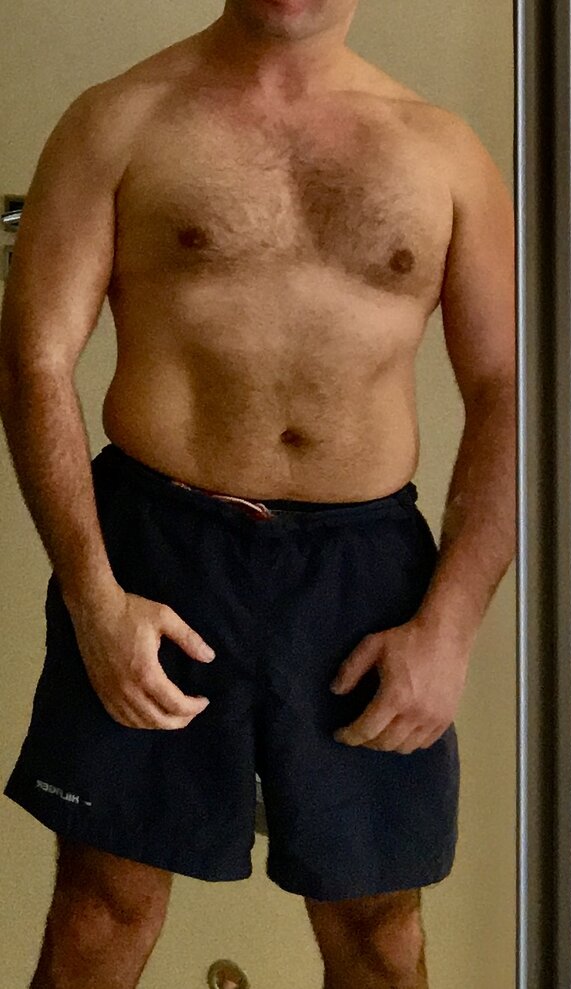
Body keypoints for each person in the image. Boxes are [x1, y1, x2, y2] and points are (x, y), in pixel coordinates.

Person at [0, 0, 516, 987]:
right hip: (156, 548)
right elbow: (34, 361)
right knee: (104, 909)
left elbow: (507, 392)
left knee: (379, 927)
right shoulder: (122, 119)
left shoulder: (443, 153)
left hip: (363, 574)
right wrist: (94, 597)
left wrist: (448, 627)